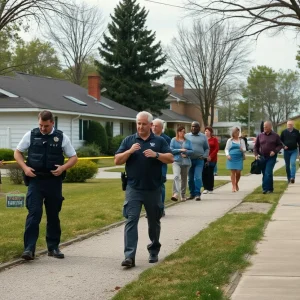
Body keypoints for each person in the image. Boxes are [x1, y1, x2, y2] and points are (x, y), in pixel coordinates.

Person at [14, 110, 78, 260]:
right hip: (35, 180)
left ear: (52, 123)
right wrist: (25, 168)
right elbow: (17, 152)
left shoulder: (61, 137)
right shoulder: (31, 135)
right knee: (34, 214)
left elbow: (73, 157)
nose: (43, 129)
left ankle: (53, 247)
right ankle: (29, 249)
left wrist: (63, 168)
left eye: (46, 126)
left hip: (53, 182)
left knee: (53, 215)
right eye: (41, 125)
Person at [115, 111, 173, 268]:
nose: (140, 126)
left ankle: (153, 250)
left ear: (150, 125)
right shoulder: (129, 141)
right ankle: (129, 256)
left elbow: (170, 158)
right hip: (133, 188)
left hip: (153, 188)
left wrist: (156, 155)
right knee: (131, 219)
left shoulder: (159, 141)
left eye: (144, 124)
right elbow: (117, 160)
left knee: (154, 222)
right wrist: (129, 151)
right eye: (138, 123)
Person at [254, 121, 283, 194]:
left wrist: (274, 151)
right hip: (262, 157)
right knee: (265, 173)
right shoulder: (260, 135)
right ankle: (269, 189)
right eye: (264, 126)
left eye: (266, 127)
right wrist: (256, 154)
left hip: (271, 157)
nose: (264, 128)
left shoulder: (275, 135)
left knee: (268, 172)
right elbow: (255, 146)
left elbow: (280, 145)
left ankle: (266, 189)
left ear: (270, 127)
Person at [185, 121, 209, 201]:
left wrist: (204, 156)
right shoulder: (186, 136)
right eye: (192, 126)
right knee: (190, 178)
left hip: (199, 160)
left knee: (197, 177)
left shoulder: (203, 137)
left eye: (195, 126)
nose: (194, 128)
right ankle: (192, 194)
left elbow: (207, 148)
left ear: (199, 128)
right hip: (189, 160)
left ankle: (197, 194)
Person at [152, 118, 171, 216]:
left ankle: (161, 208)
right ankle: (150, 209)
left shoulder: (166, 139)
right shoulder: (148, 137)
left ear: (161, 128)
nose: (154, 128)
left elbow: (168, 153)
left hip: (161, 165)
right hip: (149, 166)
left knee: (160, 185)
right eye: (153, 125)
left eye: (156, 126)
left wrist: (157, 154)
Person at [170, 126, 194, 201]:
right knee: (176, 176)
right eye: (180, 131)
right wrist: (180, 150)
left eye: (183, 131)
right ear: (177, 132)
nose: (182, 133)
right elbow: (171, 150)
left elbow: (192, 151)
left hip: (186, 162)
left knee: (184, 179)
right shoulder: (173, 140)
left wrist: (186, 153)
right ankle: (176, 193)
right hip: (176, 161)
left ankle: (183, 195)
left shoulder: (188, 141)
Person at [225, 127, 246, 192]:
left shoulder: (241, 140)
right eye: (236, 132)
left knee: (238, 171)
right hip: (231, 157)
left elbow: (244, 149)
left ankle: (236, 183)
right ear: (233, 133)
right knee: (233, 172)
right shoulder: (230, 140)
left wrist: (242, 150)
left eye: (238, 132)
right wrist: (227, 155)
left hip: (239, 157)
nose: (237, 133)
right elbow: (226, 149)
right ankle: (233, 186)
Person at [202, 126, 219, 194]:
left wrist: (211, 156)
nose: (207, 132)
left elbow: (216, 149)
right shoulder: (203, 139)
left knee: (210, 173)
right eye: (205, 131)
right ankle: (205, 188)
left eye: (208, 131)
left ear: (211, 132)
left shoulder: (214, 139)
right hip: (204, 158)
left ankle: (210, 188)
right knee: (204, 173)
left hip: (212, 159)